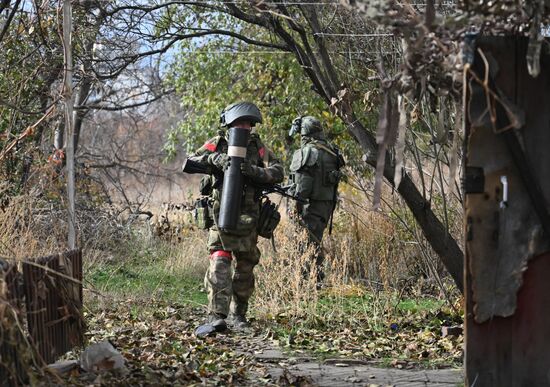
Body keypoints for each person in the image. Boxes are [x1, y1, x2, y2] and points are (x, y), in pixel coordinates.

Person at [187, 102, 284, 332]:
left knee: (245, 268)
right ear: (229, 123)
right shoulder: (217, 143)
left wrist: (256, 172)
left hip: (249, 218)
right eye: (240, 123)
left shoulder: (257, 146)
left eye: (248, 124)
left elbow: (278, 171)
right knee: (220, 262)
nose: (245, 127)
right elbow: (190, 162)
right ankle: (217, 316)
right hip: (220, 216)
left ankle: (239, 316)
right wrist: (214, 160)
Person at [288, 116, 344, 282]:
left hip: (310, 206)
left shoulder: (309, 152)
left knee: (305, 244)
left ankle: (310, 282)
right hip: (326, 205)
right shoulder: (332, 151)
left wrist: (295, 205)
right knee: (314, 240)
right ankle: (313, 280)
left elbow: (304, 185)